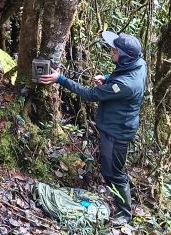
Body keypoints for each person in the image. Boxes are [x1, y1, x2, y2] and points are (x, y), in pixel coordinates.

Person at [38, 31, 147, 223]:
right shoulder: (137, 64)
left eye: (114, 50)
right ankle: (121, 205)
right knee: (111, 169)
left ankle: (125, 213)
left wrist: (60, 79)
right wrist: (107, 78)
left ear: (124, 56)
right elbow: (119, 77)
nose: (111, 52)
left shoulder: (126, 85)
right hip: (115, 126)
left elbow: (90, 95)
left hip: (117, 132)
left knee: (113, 173)